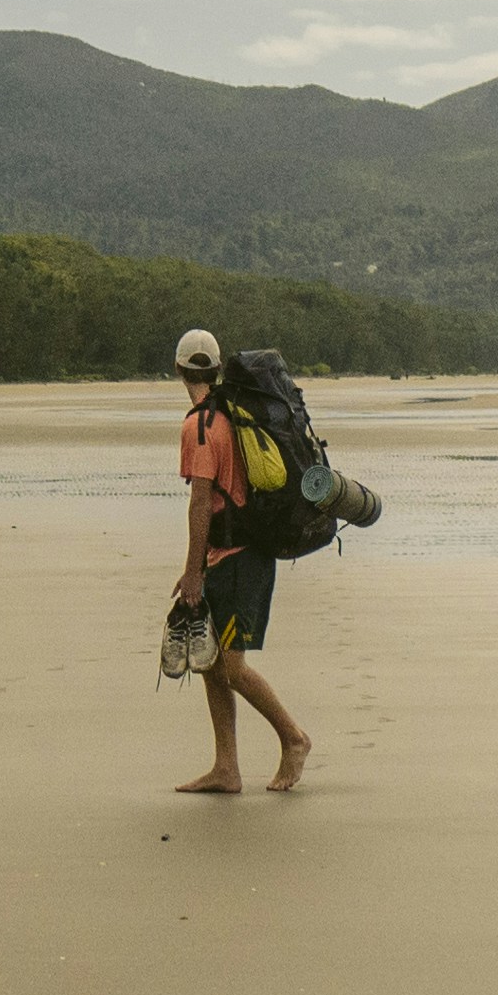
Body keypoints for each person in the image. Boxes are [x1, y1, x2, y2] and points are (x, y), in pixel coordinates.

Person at [166, 326, 316, 797]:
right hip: (230, 556)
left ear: (177, 370)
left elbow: (201, 503)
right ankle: (226, 768)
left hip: (239, 560)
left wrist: (193, 571)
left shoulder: (200, 425)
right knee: (211, 663)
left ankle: (293, 738)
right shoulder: (229, 415)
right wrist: (199, 565)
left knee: (229, 666)